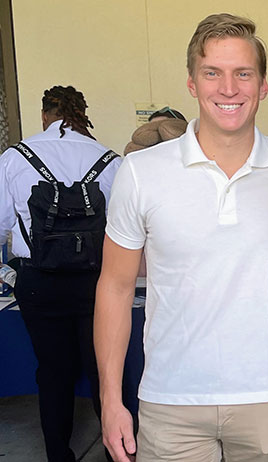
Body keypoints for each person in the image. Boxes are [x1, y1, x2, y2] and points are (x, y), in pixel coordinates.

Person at [94, 13, 268, 462]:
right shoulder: (141, 172)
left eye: (242, 73)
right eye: (213, 73)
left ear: (263, 85)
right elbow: (114, 287)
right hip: (171, 399)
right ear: (192, 83)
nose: (229, 89)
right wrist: (111, 401)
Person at [0, 85, 121, 462]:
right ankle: (117, 451)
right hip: (96, 282)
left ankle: (58, 454)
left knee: (52, 371)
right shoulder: (110, 159)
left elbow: (2, 222)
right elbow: (124, 229)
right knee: (103, 369)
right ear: (82, 114)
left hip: (39, 282)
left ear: (44, 115)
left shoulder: (15, 157)